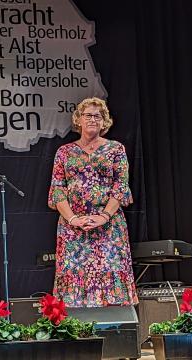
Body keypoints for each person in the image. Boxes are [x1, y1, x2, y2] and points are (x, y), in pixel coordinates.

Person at [48, 97, 138, 308]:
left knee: (110, 273)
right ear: (78, 119)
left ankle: (115, 331)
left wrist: (103, 216)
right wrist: (72, 219)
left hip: (108, 226)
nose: (92, 119)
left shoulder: (116, 150)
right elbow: (57, 189)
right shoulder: (64, 152)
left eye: (98, 116)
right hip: (73, 227)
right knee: (73, 277)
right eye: (88, 115)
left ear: (104, 122)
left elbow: (121, 187)